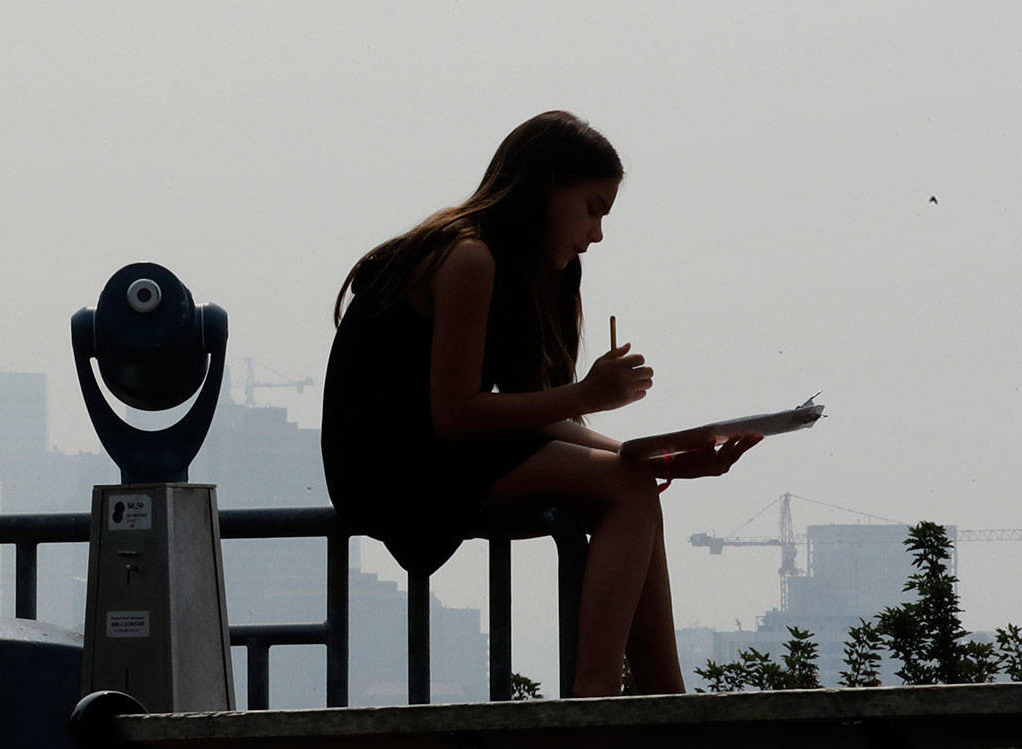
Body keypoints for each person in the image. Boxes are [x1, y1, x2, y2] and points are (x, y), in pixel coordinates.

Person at [319, 110, 758, 696]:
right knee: (627, 487)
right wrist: (588, 395)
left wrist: (663, 459)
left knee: (634, 482)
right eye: (593, 208)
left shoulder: (539, 271)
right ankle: (597, 701)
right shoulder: (468, 257)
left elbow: (541, 415)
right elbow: (456, 415)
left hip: (454, 450)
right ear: (547, 189)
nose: (597, 233)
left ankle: (662, 698)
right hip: (394, 466)